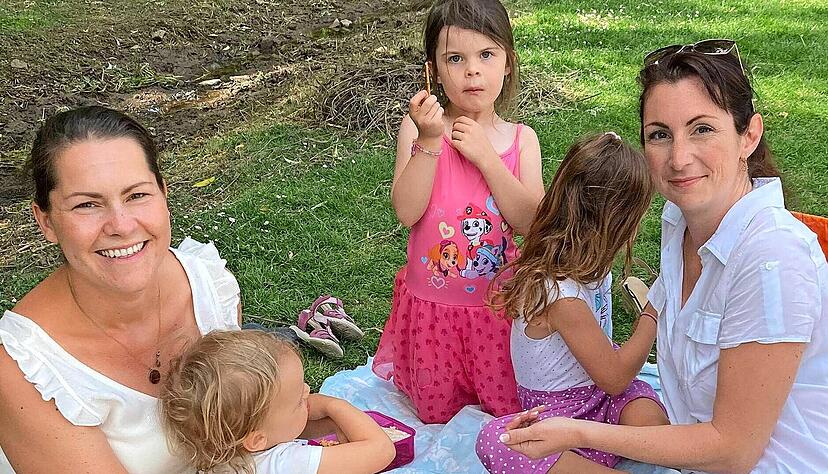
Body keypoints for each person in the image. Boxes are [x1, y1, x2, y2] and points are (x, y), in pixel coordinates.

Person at [498, 40, 828, 473]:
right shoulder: (680, 222)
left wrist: (577, 432)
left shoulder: (772, 259)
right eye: (659, 135)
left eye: (702, 129)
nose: (678, 157)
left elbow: (733, 451)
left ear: (749, 135)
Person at [0, 106, 242, 473]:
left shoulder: (211, 288)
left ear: (163, 194)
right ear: (46, 221)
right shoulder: (25, 368)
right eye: (87, 204)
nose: (121, 225)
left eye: (137, 196)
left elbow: (246, 434)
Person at [372, 0, 544, 424]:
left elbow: (530, 224)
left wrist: (487, 158)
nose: (472, 70)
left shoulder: (521, 140)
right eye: (456, 58)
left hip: (496, 311)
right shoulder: (419, 130)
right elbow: (407, 212)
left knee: (502, 410)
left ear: (507, 63)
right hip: (433, 312)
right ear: (433, 70)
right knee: (436, 416)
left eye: (487, 55)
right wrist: (430, 141)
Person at [475, 133, 670, 473]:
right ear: (619, 223)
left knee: (644, 409)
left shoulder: (588, 262)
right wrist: (652, 313)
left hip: (601, 402)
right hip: (554, 420)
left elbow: (610, 388)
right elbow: (615, 378)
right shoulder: (559, 294)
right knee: (496, 441)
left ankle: (614, 457)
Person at [160, 330, 395, 473]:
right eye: (297, 402)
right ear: (257, 439)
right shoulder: (286, 465)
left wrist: (333, 424)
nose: (307, 391)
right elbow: (382, 451)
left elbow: (285, 429)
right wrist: (335, 406)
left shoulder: (223, 455)